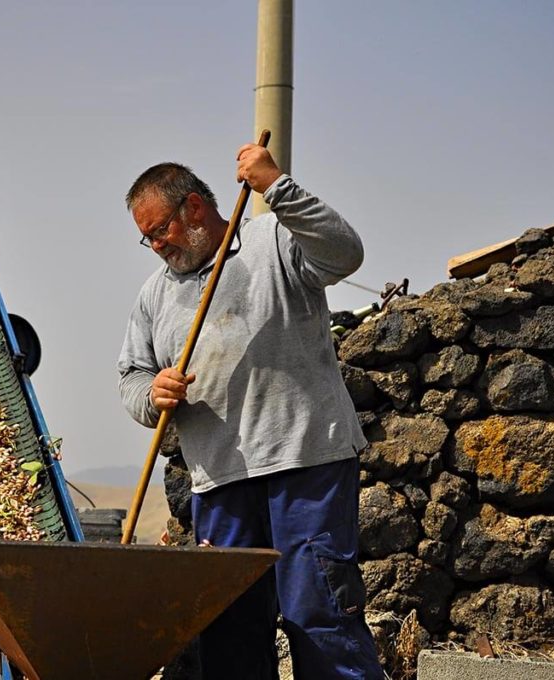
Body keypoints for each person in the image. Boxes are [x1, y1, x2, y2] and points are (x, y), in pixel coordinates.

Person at [117, 143, 384, 680]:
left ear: (194, 208)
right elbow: (132, 376)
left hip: (305, 460)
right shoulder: (154, 296)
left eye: (158, 231)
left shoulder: (272, 240)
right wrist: (154, 394)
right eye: (144, 237)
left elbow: (346, 253)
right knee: (229, 626)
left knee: (319, 612)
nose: (153, 246)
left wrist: (276, 186)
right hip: (219, 479)